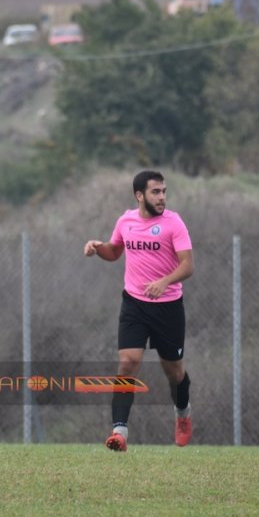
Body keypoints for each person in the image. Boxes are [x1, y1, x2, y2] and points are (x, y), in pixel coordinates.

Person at [83, 170, 194, 452]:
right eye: (156, 192)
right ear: (139, 195)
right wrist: (98, 248)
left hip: (168, 308)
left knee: (174, 372)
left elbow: (188, 266)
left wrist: (164, 282)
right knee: (128, 362)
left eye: (164, 191)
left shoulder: (174, 223)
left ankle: (182, 413)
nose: (162, 197)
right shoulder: (126, 220)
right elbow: (115, 251)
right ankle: (119, 432)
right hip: (134, 304)